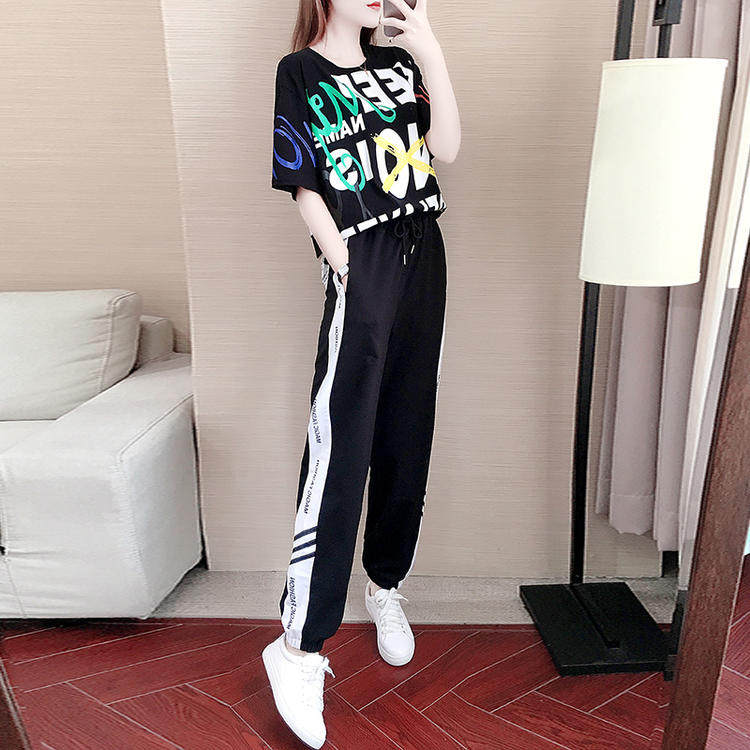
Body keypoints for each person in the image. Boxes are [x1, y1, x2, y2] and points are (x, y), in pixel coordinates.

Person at [263, 0, 460, 746]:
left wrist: (431, 52)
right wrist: (345, 262)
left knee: (408, 430)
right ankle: (299, 647)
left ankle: (385, 584)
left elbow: (447, 146)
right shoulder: (299, 72)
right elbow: (303, 182)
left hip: (424, 251)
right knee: (341, 447)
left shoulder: (400, 64)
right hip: (363, 258)